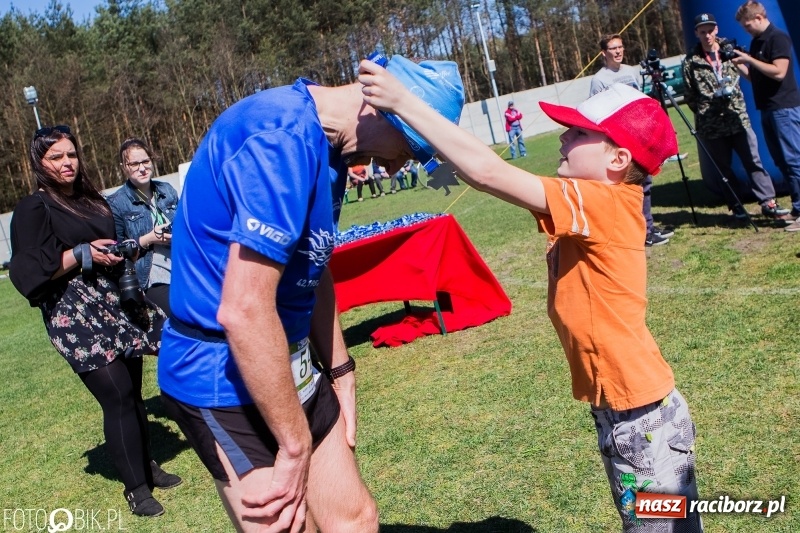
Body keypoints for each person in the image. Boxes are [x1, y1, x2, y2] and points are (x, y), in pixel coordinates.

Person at [360, 62, 703, 532]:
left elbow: (487, 172)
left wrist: (403, 103)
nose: (562, 137)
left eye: (577, 132)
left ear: (617, 160)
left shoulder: (605, 202)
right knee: (646, 522)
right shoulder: (595, 202)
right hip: (622, 412)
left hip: (643, 418)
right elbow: (481, 172)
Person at [157, 55, 464, 532]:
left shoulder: (331, 150)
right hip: (219, 373)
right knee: (287, 526)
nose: (402, 163)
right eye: (411, 147)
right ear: (381, 109)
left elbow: (312, 266)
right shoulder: (279, 137)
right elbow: (243, 309)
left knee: (354, 519)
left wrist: (340, 368)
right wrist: (294, 445)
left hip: (284, 357)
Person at [8, 125, 180, 518]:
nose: (67, 163)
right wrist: (81, 252)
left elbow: (110, 244)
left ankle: (146, 466)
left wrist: (121, 252)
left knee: (133, 391)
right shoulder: (34, 208)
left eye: (71, 155)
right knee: (116, 393)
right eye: (56, 157)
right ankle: (136, 489)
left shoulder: (90, 199)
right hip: (73, 312)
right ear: (40, 162)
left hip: (113, 301)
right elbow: (28, 271)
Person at [683, 13, 791, 223]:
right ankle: (736, 205)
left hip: (737, 116)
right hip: (711, 124)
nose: (707, 36)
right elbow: (690, 96)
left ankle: (768, 202)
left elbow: (752, 76)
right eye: (702, 32)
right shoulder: (691, 62)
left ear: (716, 30)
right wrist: (707, 109)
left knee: (754, 161)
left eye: (710, 30)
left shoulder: (731, 51)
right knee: (723, 169)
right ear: (696, 33)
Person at [591, 33, 675, 246]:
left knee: (646, 184)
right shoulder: (599, 79)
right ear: (604, 53)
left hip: (639, 137)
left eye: (620, 47)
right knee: (629, 187)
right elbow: (597, 112)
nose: (618, 51)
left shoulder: (631, 72)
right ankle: (639, 233)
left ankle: (648, 228)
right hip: (619, 141)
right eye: (613, 48)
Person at [733, 1, 800, 232]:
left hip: (784, 107)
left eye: (748, 25)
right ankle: (797, 208)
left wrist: (750, 60)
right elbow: (757, 77)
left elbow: (779, 71)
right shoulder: (757, 42)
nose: (747, 30)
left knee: (794, 160)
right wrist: (740, 65)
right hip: (768, 108)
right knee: (781, 161)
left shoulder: (777, 38)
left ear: (760, 17)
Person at [107, 138, 179, 316]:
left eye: (145, 161)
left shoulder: (167, 190)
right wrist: (148, 239)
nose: (142, 168)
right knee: (179, 315)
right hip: (150, 276)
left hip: (181, 264)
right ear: (124, 167)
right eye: (134, 163)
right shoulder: (117, 203)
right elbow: (116, 249)